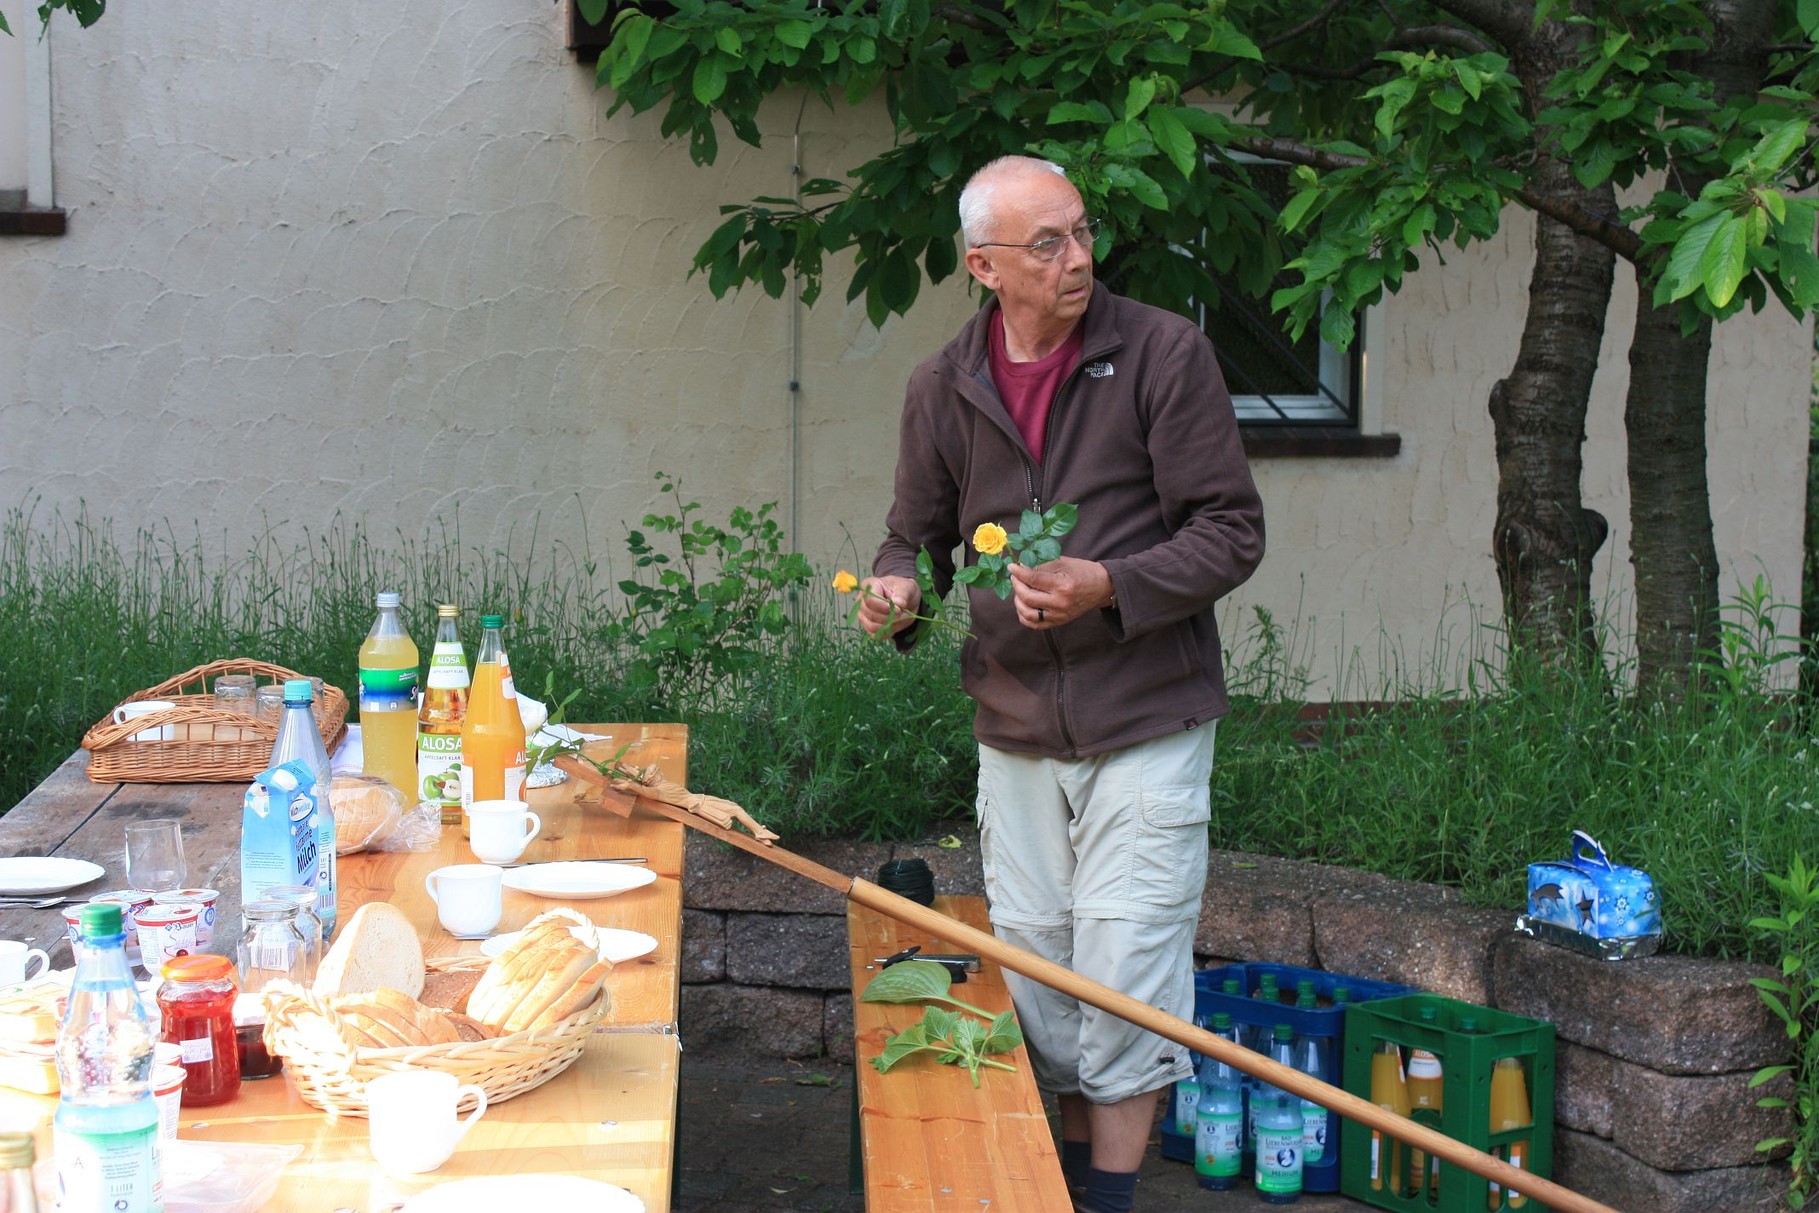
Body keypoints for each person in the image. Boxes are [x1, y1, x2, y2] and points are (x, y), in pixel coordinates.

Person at [856, 155, 1265, 1213]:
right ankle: (1079, 1184)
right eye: (1048, 243)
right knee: (1040, 970)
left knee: (1125, 966)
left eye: (1081, 233)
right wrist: (897, 587)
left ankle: (1109, 1198)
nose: (1077, 258)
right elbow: (917, 534)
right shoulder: (942, 386)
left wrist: (1110, 585)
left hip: (1146, 711)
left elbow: (1230, 530)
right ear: (982, 264)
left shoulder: (1163, 355)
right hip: (1015, 718)